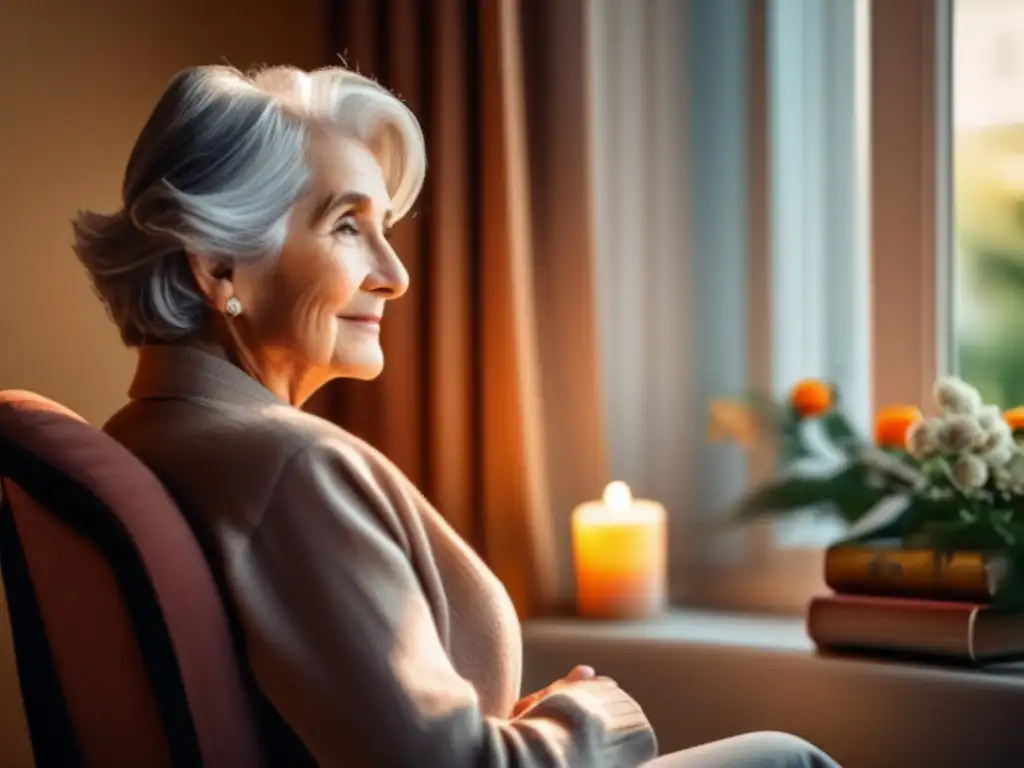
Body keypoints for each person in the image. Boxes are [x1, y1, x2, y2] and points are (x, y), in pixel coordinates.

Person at [74, 64, 841, 768]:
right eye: (347, 225)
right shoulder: (289, 468)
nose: (396, 275)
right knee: (786, 758)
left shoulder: (143, 438)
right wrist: (588, 720)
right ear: (216, 266)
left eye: (387, 230)